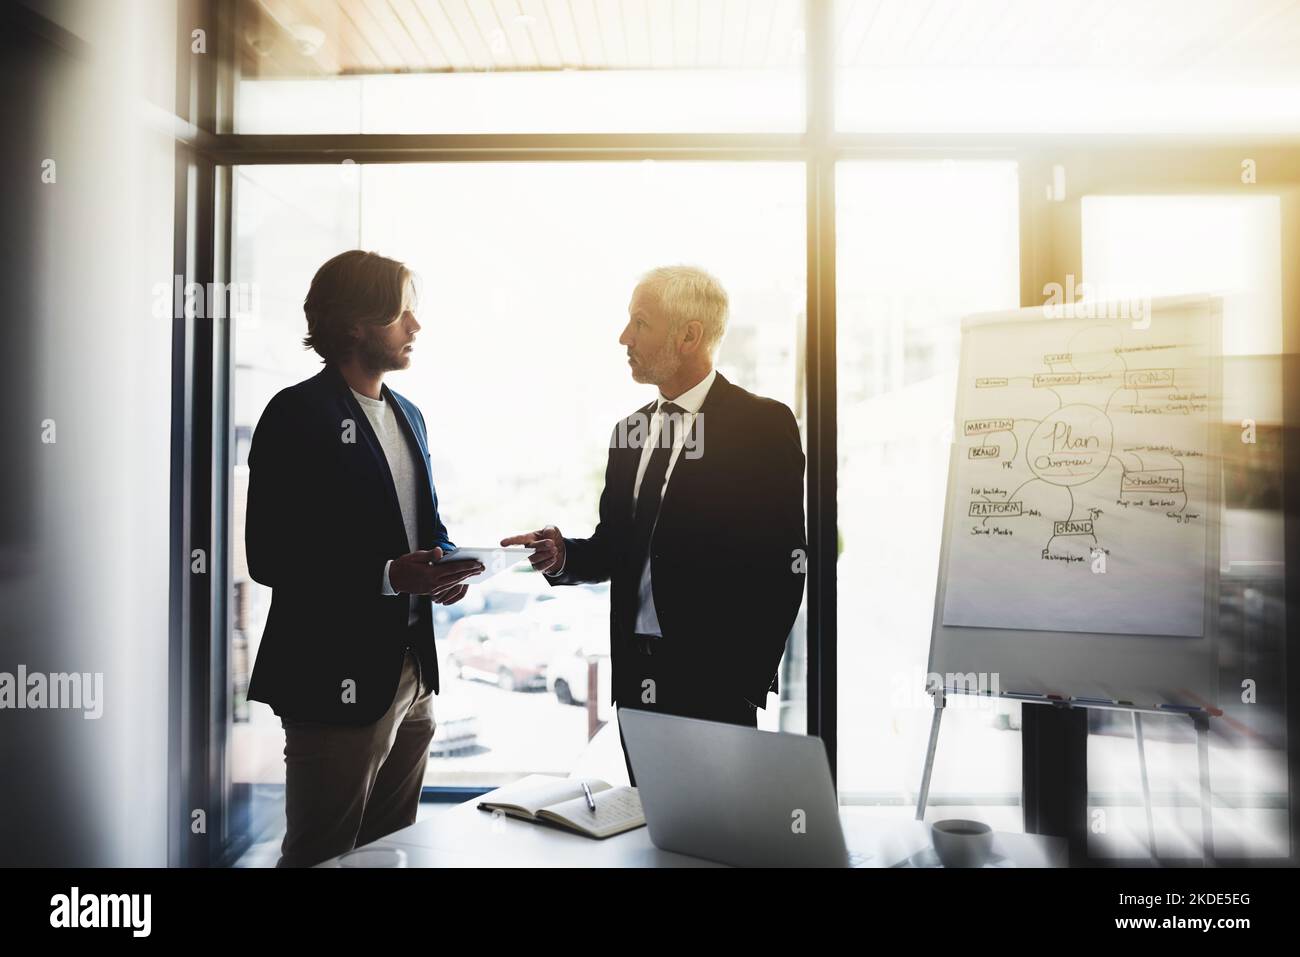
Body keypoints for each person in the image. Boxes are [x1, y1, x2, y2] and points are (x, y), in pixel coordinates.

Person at [503, 265, 806, 784]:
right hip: (638, 675)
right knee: (655, 829)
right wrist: (564, 555)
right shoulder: (630, 432)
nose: (625, 337)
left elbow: (785, 566)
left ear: (688, 335)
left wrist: (744, 681)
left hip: (717, 684)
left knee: (716, 839)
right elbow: (615, 547)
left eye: (639, 322)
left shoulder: (763, 425)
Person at [245, 250, 483, 866]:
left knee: (390, 849)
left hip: (412, 673)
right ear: (355, 323)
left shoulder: (410, 415)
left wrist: (448, 565)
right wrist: (386, 576)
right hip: (332, 677)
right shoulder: (295, 414)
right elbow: (269, 555)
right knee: (320, 853)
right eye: (402, 312)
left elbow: (426, 528)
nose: (415, 326)